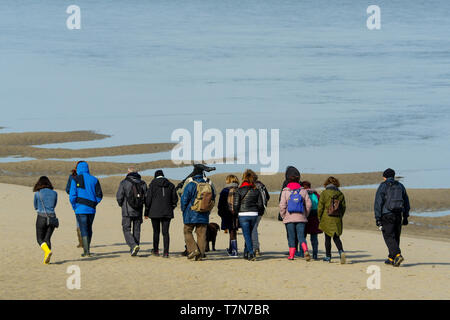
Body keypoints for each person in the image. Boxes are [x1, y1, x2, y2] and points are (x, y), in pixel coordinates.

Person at [374, 168, 410, 267]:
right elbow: (406, 202)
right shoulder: (400, 186)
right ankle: (391, 258)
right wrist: (406, 216)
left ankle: (398, 255)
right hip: (399, 214)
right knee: (396, 236)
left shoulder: (383, 186)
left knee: (389, 236)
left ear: (384, 177)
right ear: (393, 176)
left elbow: (378, 203)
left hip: (387, 215)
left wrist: (377, 218)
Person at [180, 165, 216, 261]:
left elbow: (184, 199)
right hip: (204, 213)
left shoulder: (191, 184)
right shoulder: (209, 185)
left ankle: (193, 250)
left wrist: (183, 210)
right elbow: (213, 198)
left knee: (187, 231)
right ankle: (200, 256)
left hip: (190, 213)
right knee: (201, 235)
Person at [69, 161, 103, 257]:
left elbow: (72, 196)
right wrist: (94, 203)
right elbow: (99, 195)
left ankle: (86, 251)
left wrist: (74, 206)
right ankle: (87, 249)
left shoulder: (75, 180)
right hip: (91, 209)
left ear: (78, 168)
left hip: (80, 209)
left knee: (83, 228)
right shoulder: (94, 179)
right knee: (89, 228)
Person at [144, 169, 178, 258]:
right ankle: (166, 253)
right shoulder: (171, 185)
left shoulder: (152, 185)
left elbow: (148, 200)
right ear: (163, 176)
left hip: (154, 212)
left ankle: (156, 251)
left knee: (156, 232)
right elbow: (175, 199)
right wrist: (172, 207)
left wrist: (146, 212)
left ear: (155, 176)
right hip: (167, 212)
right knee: (165, 232)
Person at [233, 169, 264, 261]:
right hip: (254, 214)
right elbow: (260, 205)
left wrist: (236, 213)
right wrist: (257, 211)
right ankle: (246, 253)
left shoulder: (239, 190)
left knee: (246, 235)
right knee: (249, 234)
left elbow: (236, 204)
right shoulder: (256, 190)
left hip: (243, 214)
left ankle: (251, 253)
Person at [279, 174, 312, 261]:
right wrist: (306, 214)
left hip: (289, 218)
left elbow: (282, 205)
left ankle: (291, 255)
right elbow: (309, 204)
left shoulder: (285, 191)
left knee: (291, 237)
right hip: (301, 217)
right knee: (301, 236)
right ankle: (305, 250)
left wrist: (283, 216)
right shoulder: (303, 191)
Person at [116, 167, 147, 256]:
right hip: (139, 210)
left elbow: (119, 196)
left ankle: (133, 246)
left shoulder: (124, 182)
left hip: (127, 211)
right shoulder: (143, 183)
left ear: (128, 173)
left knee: (126, 229)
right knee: (137, 230)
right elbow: (146, 197)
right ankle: (134, 247)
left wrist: (121, 204)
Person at [317, 176, 347, 263]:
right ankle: (341, 251)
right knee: (336, 237)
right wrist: (340, 216)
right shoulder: (340, 194)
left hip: (326, 218)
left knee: (327, 238)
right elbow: (343, 207)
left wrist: (319, 217)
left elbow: (320, 207)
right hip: (337, 218)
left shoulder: (324, 193)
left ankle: (328, 256)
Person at [33, 176, 58, 264]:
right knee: (47, 239)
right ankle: (46, 260)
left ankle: (47, 252)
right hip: (52, 217)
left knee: (39, 239)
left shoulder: (37, 193)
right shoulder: (55, 193)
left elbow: (35, 206)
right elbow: (54, 205)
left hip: (41, 217)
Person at [297, 181, 322, 260]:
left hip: (304, 216)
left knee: (302, 236)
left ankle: (302, 252)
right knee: (314, 237)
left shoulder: (302, 193)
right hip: (315, 217)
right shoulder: (316, 194)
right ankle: (315, 254)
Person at [218, 174, 240, 257]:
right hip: (237, 214)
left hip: (227, 214)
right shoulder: (239, 189)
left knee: (231, 232)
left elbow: (221, 205)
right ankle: (231, 249)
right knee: (233, 231)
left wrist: (221, 214)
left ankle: (234, 251)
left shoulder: (224, 191)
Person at [65, 161, 83, 248]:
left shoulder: (72, 177)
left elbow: (68, 189)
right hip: (85, 202)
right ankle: (83, 241)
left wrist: (73, 194)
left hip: (76, 202)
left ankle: (81, 242)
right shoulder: (88, 177)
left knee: (79, 220)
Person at [252, 176, 270, 256]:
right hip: (261, 210)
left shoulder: (252, 186)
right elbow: (268, 197)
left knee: (253, 229)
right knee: (254, 228)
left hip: (252, 210)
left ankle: (255, 248)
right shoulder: (262, 186)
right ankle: (255, 247)